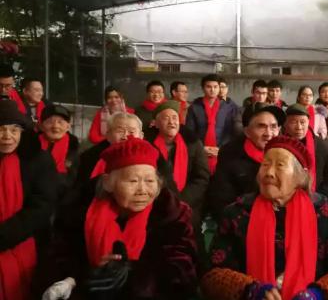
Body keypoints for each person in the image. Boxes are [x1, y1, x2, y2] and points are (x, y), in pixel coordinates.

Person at [201, 135, 328, 300]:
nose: (269, 172)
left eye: (280, 165)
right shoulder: (238, 213)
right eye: (265, 164)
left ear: (300, 176)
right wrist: (251, 290)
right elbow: (213, 274)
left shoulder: (324, 212)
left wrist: (317, 294)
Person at [42, 137, 197, 300]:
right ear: (108, 183)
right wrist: (75, 279)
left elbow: (183, 269)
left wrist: (132, 274)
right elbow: (60, 258)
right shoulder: (80, 209)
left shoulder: (171, 213)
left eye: (150, 181)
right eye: (133, 181)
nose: (142, 190)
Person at [0, 101, 57, 300]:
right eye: (1, 129)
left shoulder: (37, 159)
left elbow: (42, 205)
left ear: (22, 132)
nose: (7, 136)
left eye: (14, 130)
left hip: (24, 241)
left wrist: (3, 235)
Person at [207, 103, 284, 220]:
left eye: (273, 127)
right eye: (261, 126)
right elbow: (221, 200)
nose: (268, 134)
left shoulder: (286, 153)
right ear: (247, 131)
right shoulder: (230, 153)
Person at [145, 101, 210, 225]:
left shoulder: (193, 143)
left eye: (175, 118)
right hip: (157, 204)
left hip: (188, 204)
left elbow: (202, 177)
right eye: (166, 118)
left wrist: (182, 201)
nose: (171, 122)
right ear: (156, 124)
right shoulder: (147, 145)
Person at [186, 74, 240, 176]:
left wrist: (221, 149)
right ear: (203, 88)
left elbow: (230, 131)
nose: (212, 90)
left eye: (215, 87)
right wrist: (201, 148)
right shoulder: (194, 107)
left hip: (222, 153)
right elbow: (190, 131)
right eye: (208, 87)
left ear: (219, 88)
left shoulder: (228, 108)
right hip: (200, 152)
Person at [284, 103, 328, 199]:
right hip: (285, 197)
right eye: (293, 122)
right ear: (285, 124)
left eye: (302, 122)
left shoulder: (321, 145)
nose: (299, 127)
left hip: (315, 197)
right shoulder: (279, 144)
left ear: (309, 122)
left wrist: (322, 196)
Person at [76, 112, 144, 184]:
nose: (125, 136)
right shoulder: (90, 157)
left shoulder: (150, 156)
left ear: (141, 136)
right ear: (108, 135)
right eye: (120, 131)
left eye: (131, 131)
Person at [29, 104, 80, 194]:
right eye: (50, 122)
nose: (55, 126)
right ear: (41, 126)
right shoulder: (30, 147)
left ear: (68, 126)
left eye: (60, 122)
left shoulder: (73, 150)